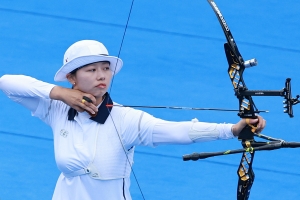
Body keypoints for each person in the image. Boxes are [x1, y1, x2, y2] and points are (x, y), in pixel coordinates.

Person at [0, 40, 266, 200]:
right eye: (91, 70)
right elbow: (7, 83)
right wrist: (59, 94)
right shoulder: (56, 109)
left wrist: (232, 129)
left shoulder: (126, 119)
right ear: (72, 78)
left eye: (105, 68)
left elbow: (178, 131)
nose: (101, 75)